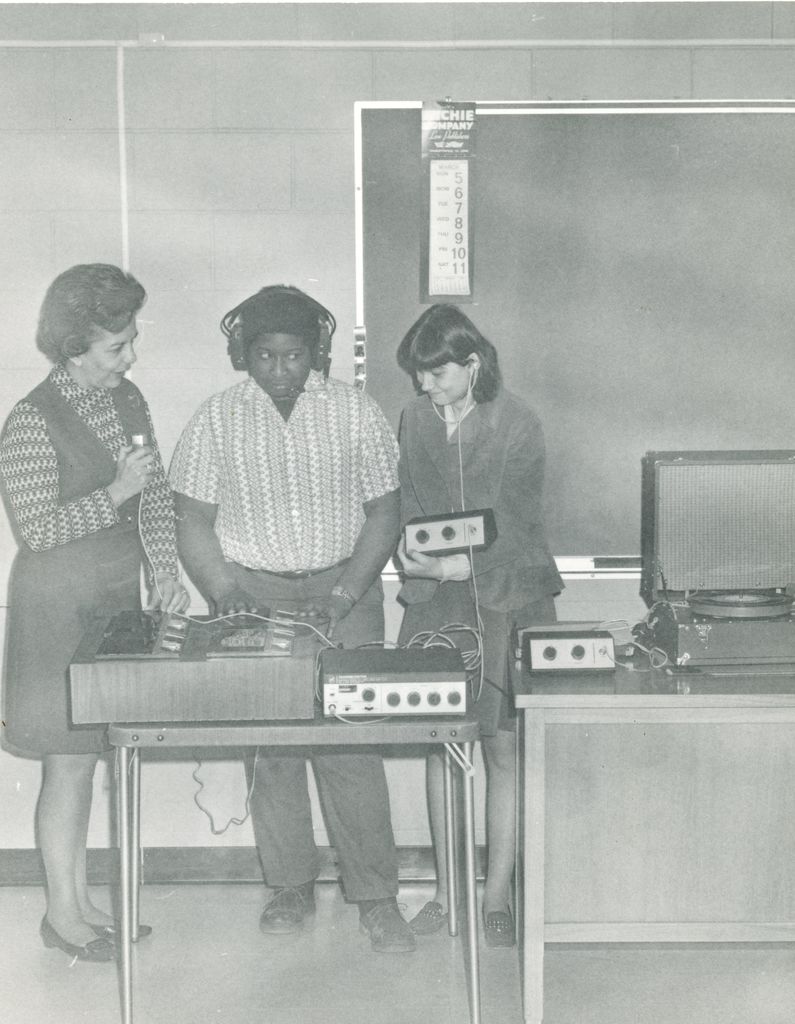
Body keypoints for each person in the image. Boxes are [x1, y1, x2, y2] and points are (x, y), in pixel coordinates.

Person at [168, 284, 415, 953]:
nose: (279, 368)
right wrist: (223, 592)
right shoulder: (215, 418)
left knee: (351, 748)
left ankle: (375, 897)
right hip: (254, 593)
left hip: (346, 592)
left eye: (294, 355)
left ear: (316, 352)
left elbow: (384, 513)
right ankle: (289, 885)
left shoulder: (355, 412)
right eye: (266, 355)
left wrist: (345, 595)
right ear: (243, 352)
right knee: (273, 751)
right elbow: (191, 521)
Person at [0, 264, 188, 962]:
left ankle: (78, 901)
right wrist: (113, 492)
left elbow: (158, 494)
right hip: (54, 609)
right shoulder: (28, 419)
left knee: (90, 759)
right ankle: (63, 914)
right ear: (74, 346)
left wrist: (164, 570)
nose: (130, 357)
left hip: (112, 602)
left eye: (131, 340)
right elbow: (37, 531)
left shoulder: (128, 401)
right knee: (67, 763)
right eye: (117, 346)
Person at [395, 303, 563, 947]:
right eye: (419, 375)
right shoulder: (414, 417)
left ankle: (496, 894)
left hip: (508, 595)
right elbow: (411, 499)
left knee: (502, 747)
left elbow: (520, 523)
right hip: (436, 600)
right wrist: (414, 561)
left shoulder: (518, 422)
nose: (423, 387)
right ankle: (446, 892)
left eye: (437, 374)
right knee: (442, 739)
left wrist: (461, 568)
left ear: (473, 364)